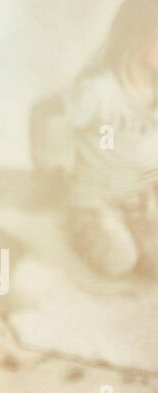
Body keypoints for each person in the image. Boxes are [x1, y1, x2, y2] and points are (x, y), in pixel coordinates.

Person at [58, 0, 158, 278]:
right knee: (117, 260)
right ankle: (75, 224)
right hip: (96, 200)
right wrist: (53, 171)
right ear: (137, 32)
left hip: (140, 201)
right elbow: (48, 116)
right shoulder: (100, 91)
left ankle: (133, 232)